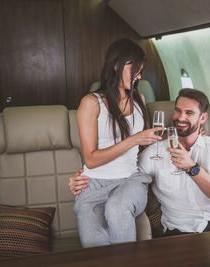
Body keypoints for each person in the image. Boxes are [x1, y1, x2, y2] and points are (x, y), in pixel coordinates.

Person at [70, 89, 210, 236]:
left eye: (189, 113)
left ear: (203, 118)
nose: (181, 118)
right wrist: (83, 178)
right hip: (176, 231)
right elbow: (122, 174)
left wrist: (192, 168)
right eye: (178, 111)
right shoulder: (154, 153)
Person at [73, 38, 164, 248]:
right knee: (95, 245)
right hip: (93, 184)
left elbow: (147, 141)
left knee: (117, 207)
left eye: (141, 71)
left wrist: (186, 138)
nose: (139, 77)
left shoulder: (139, 99)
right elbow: (91, 159)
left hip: (130, 180)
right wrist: (133, 139)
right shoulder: (91, 103)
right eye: (136, 71)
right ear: (117, 65)